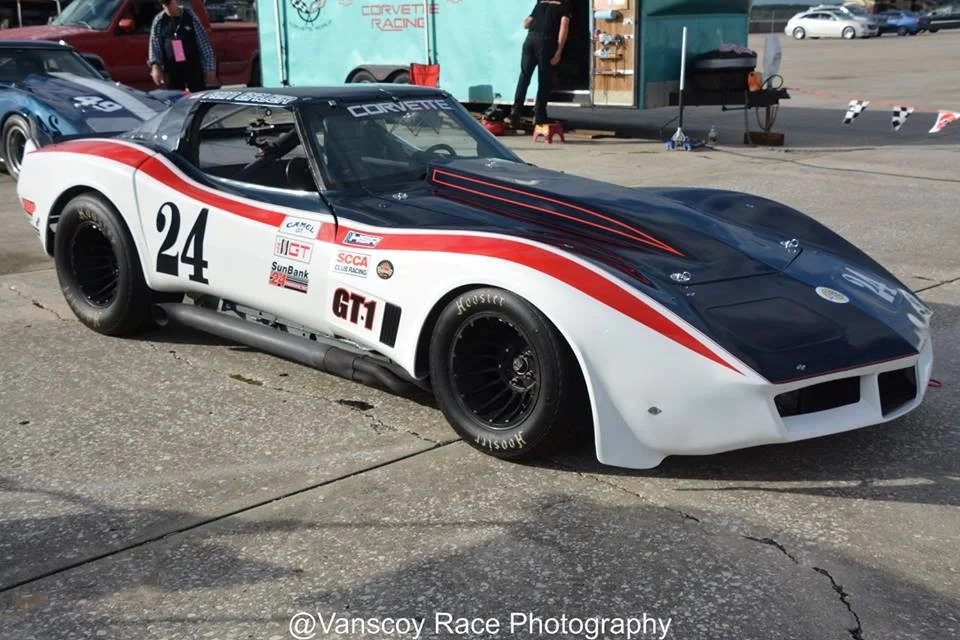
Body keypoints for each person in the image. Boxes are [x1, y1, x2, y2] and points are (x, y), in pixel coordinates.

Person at [509, 0, 572, 127]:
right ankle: (539, 115)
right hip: (545, 42)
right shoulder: (564, 7)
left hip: (530, 40)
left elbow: (526, 24)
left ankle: (515, 112)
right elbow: (563, 28)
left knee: (524, 77)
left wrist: (530, 21)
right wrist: (558, 52)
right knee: (544, 80)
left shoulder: (540, 4)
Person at [147, 0, 217, 92]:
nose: (166, 7)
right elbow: (154, 46)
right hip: (172, 69)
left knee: (198, 98)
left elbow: (204, 44)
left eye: (168, 3)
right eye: (163, 4)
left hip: (192, 67)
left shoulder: (190, 16)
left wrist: (210, 68)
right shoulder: (159, 20)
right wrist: (155, 67)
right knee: (174, 100)